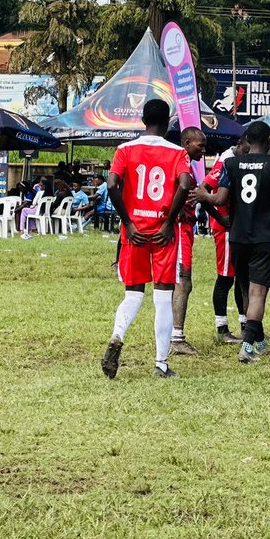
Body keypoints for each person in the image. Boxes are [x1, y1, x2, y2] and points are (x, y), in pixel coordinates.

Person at [101, 98, 194, 380]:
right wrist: (168, 222)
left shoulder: (125, 149)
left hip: (135, 232)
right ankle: (161, 364)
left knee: (133, 294)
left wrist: (127, 222)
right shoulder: (177, 152)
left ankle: (117, 336)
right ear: (168, 124)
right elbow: (186, 184)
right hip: (164, 234)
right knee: (163, 298)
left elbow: (112, 184)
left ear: (143, 120)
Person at [196, 121, 270, 364]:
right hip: (263, 237)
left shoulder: (231, 164)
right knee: (258, 293)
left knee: (244, 287)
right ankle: (247, 346)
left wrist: (204, 195)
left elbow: (219, 199)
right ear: (269, 141)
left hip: (237, 236)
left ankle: (258, 341)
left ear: (247, 141)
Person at [201, 138, 248, 344]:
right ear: (240, 144)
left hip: (240, 227)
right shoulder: (226, 161)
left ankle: (245, 324)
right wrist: (219, 217)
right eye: (247, 150)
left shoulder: (239, 160)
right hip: (226, 228)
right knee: (226, 277)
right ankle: (222, 329)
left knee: (240, 277)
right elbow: (202, 190)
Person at [170, 126, 207, 357]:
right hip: (180, 229)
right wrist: (176, 212)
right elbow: (176, 187)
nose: (203, 150)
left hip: (186, 227)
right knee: (183, 280)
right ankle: (176, 338)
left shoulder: (186, 163)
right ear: (187, 144)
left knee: (180, 281)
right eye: (200, 145)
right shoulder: (180, 161)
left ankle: (172, 334)